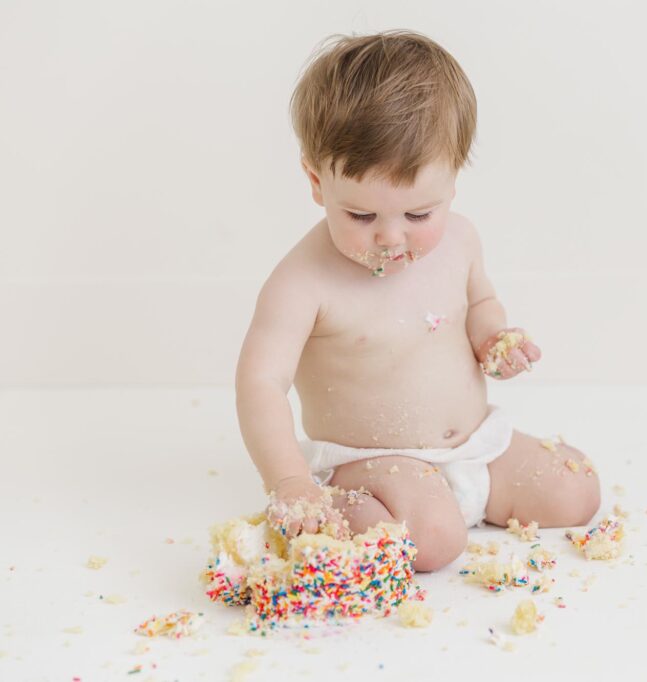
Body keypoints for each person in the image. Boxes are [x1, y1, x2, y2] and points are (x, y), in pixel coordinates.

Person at [235, 30, 600, 572]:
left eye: (418, 215)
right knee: (432, 543)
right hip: (376, 464)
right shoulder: (302, 282)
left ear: (454, 180)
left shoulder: (461, 240)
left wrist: (494, 338)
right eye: (361, 216)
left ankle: (464, 500)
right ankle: (342, 506)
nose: (391, 237)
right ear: (316, 182)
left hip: (477, 447)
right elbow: (260, 383)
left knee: (577, 492)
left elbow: (480, 303)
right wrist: (289, 481)